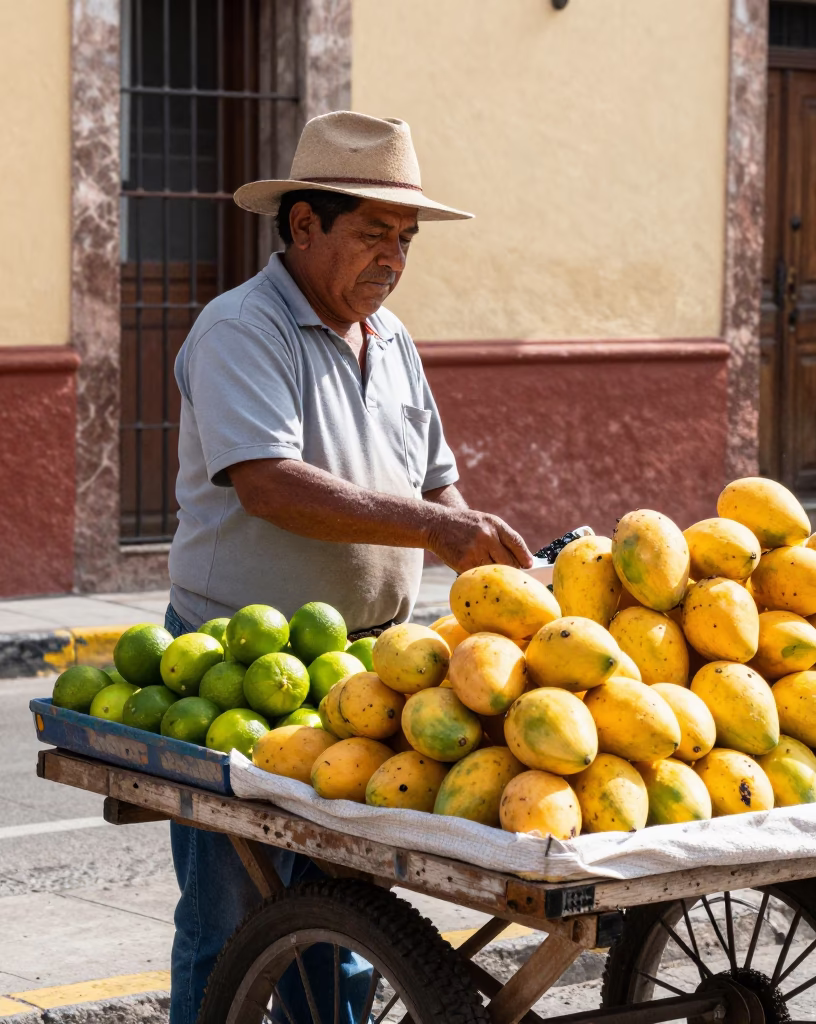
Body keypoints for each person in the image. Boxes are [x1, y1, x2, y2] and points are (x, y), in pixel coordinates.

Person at [165, 110, 531, 1024]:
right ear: (301, 226)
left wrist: (490, 569)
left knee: (346, 924)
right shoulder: (242, 329)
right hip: (237, 674)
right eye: (373, 234)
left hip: (370, 679)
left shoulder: (393, 340)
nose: (394, 259)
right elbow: (268, 484)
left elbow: (439, 485)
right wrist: (436, 532)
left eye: (404, 241)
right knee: (231, 925)